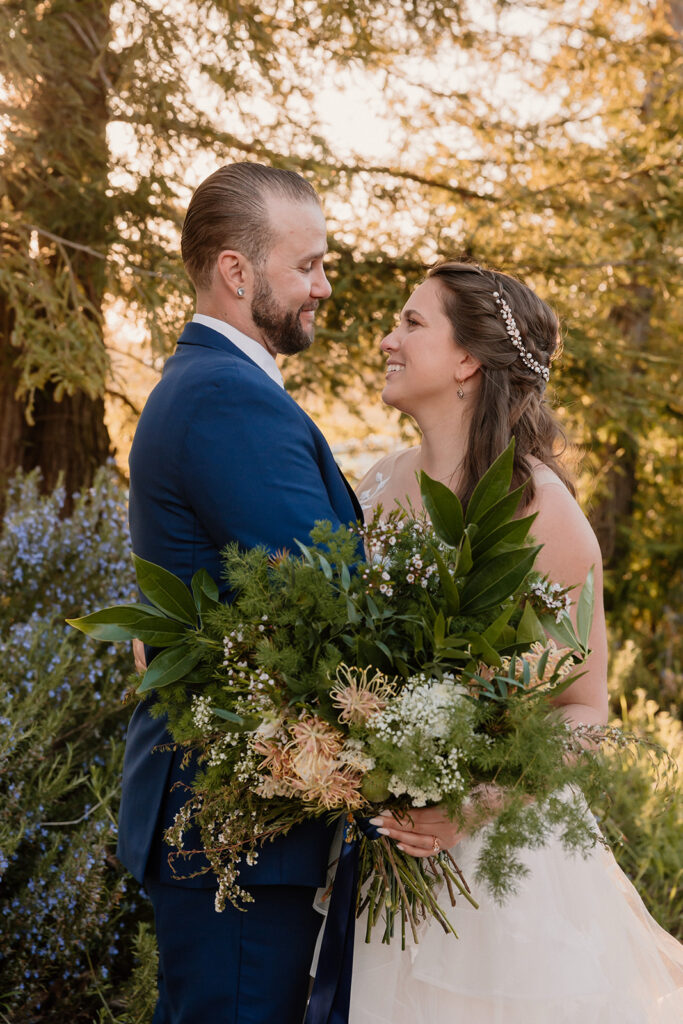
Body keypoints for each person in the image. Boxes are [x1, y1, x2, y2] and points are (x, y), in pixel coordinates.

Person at [348, 261, 683, 1022]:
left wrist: (469, 807)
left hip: (503, 868)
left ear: (466, 359)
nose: (385, 340)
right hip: (387, 847)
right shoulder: (373, 486)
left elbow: (583, 712)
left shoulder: (542, 511)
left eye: (409, 323)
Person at [120, 162, 362, 1024]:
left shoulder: (216, 388)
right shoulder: (226, 397)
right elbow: (330, 593)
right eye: (307, 265)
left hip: (240, 823)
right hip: (236, 827)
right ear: (235, 271)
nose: (322, 286)